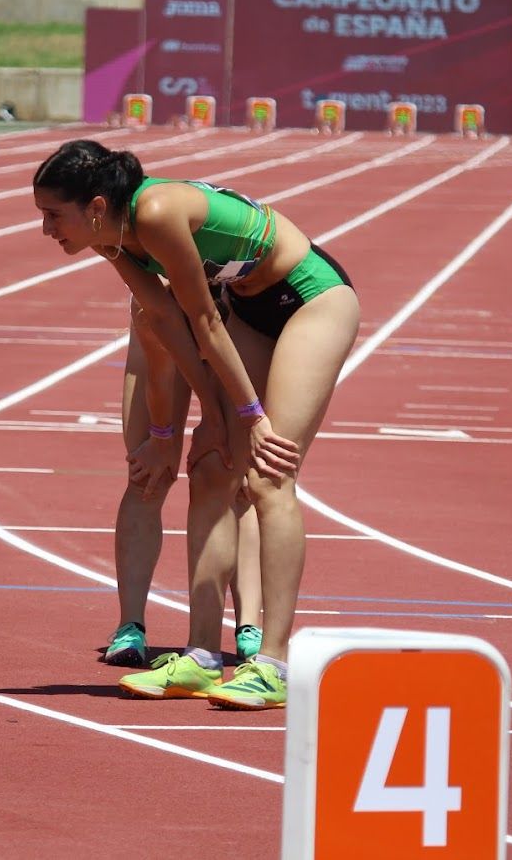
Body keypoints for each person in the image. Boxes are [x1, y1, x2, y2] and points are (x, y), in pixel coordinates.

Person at [33, 140, 360, 710]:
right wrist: (198, 419)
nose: (45, 230)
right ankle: (204, 656)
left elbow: (205, 322)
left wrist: (250, 416)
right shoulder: (110, 239)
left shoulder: (154, 214)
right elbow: (163, 321)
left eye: (52, 215)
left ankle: (275, 665)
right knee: (211, 467)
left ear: (94, 206)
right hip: (250, 306)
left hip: (310, 298)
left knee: (267, 474)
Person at [104, 299, 262, 668]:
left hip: (237, 320)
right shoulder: (155, 289)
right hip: (167, 322)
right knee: (147, 475)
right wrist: (162, 438)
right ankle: (130, 626)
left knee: (239, 481)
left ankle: (250, 625)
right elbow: (160, 370)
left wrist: (222, 421)